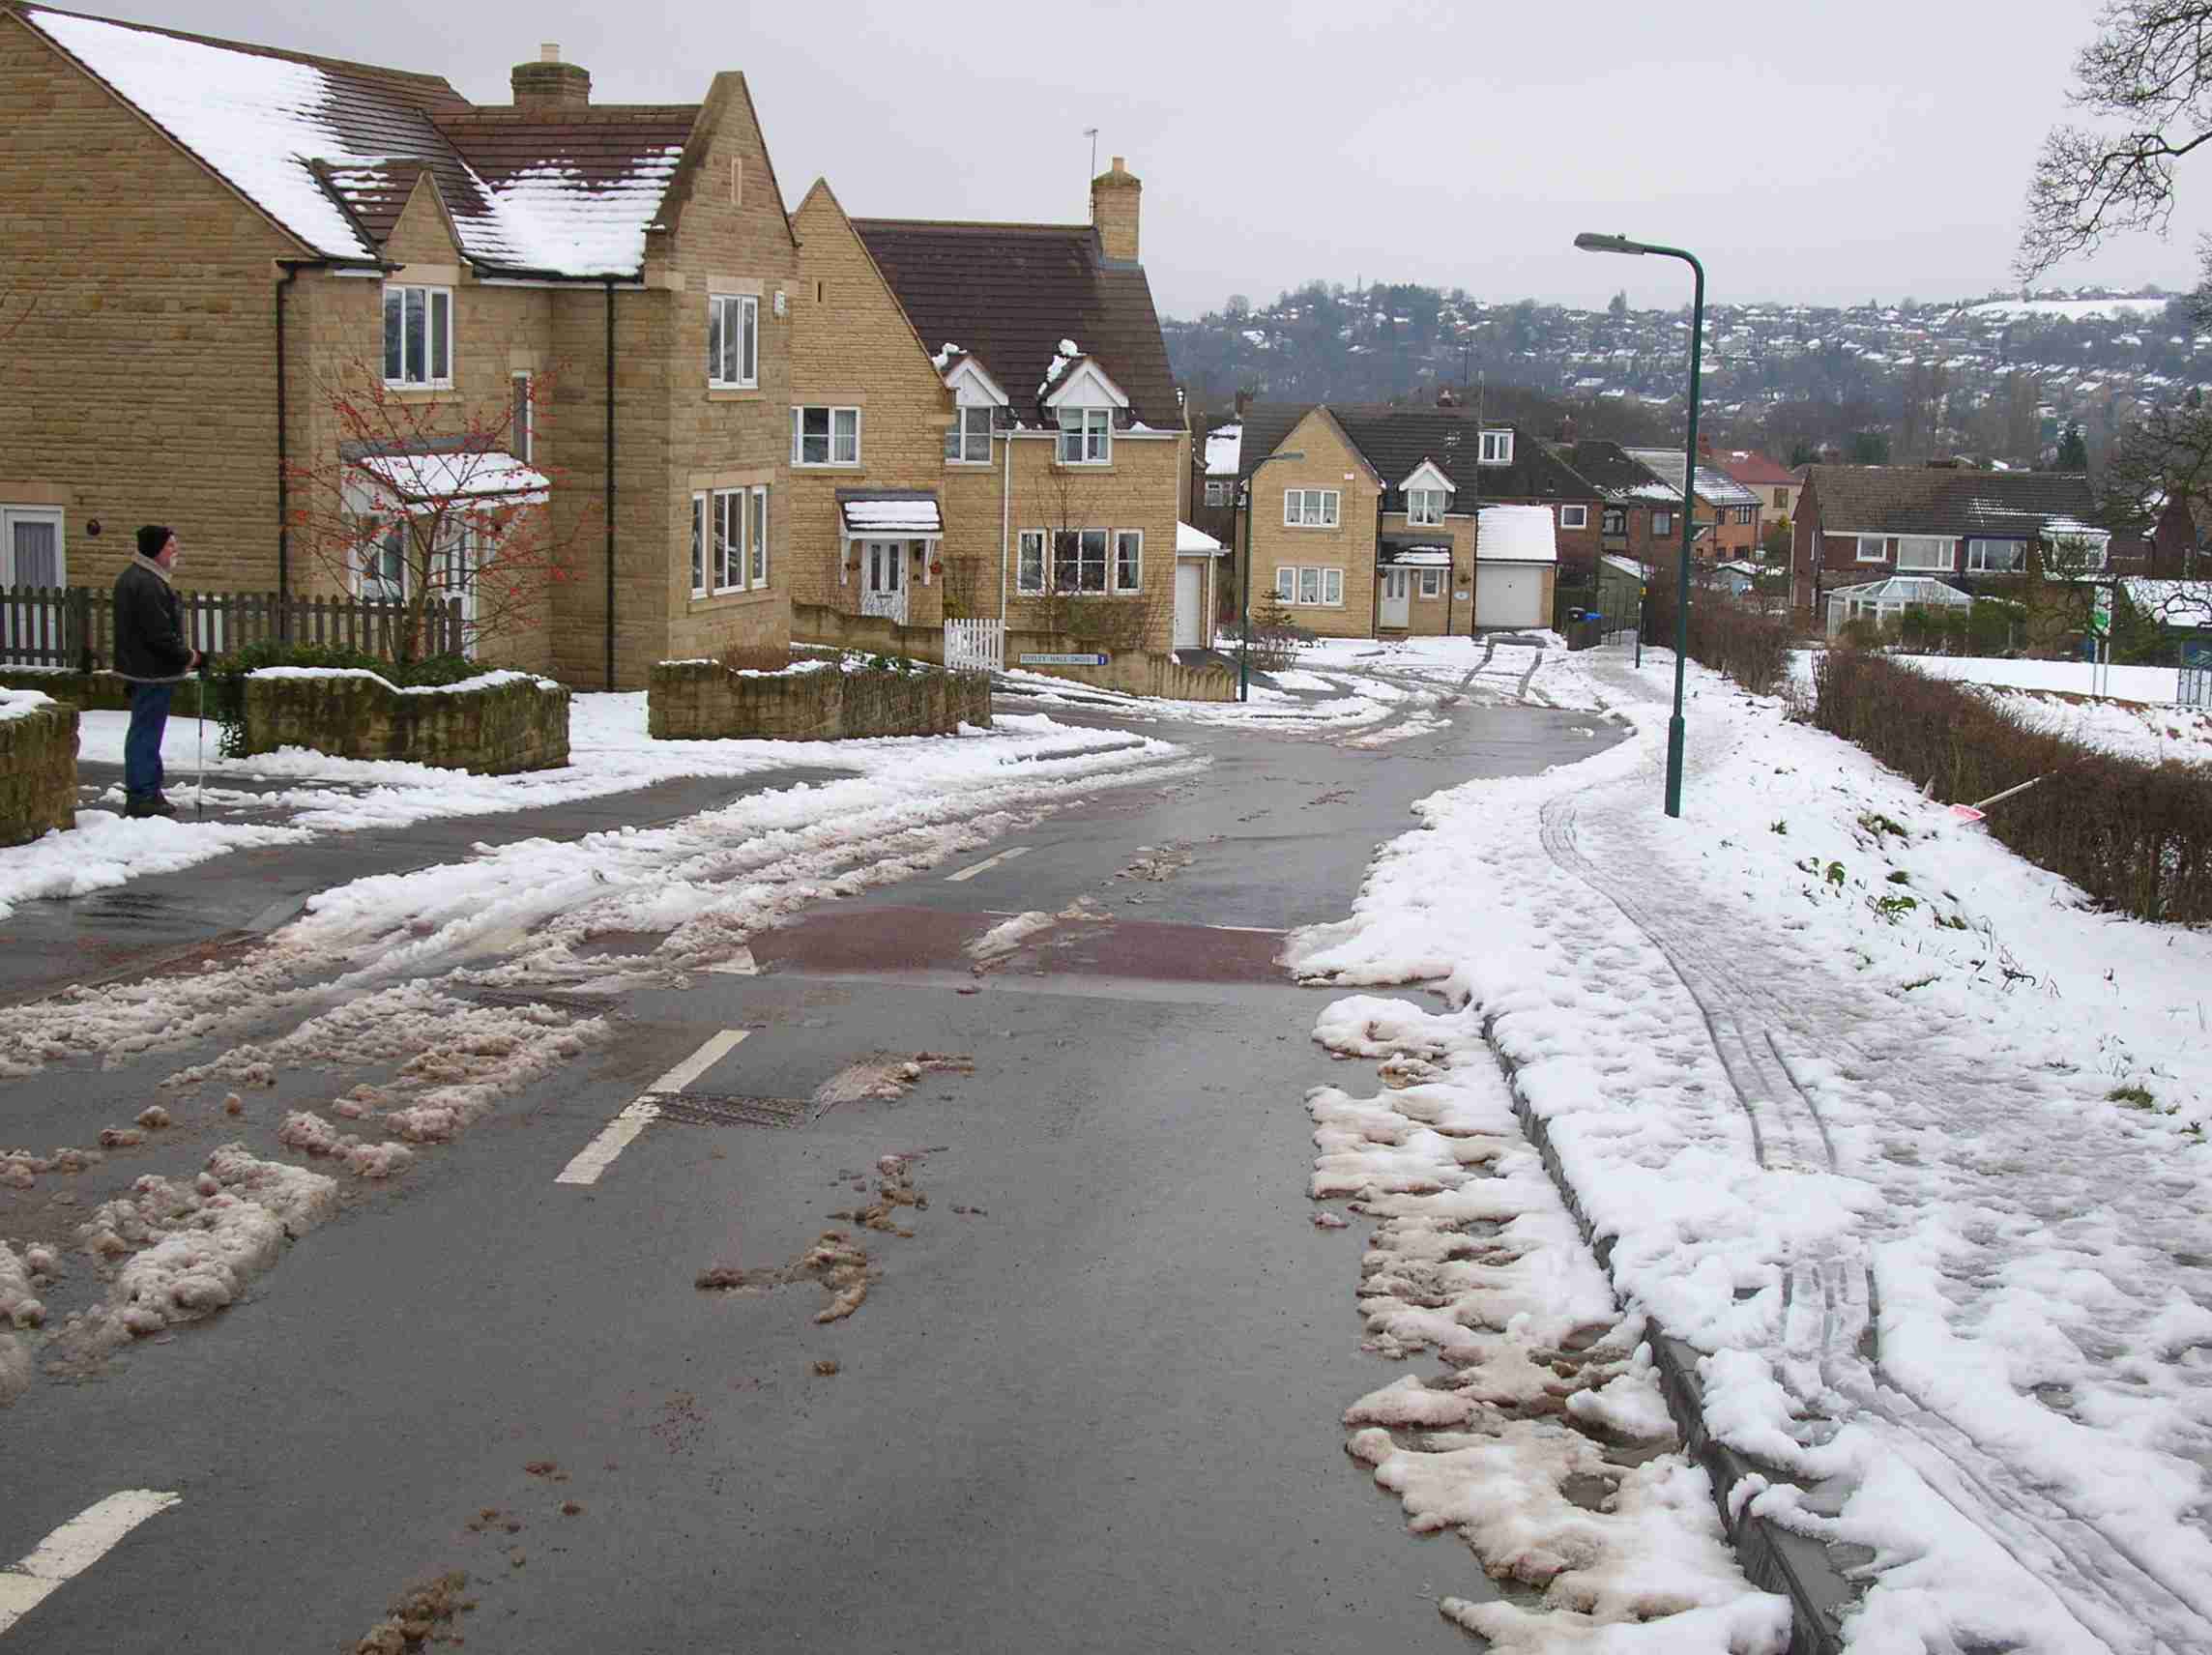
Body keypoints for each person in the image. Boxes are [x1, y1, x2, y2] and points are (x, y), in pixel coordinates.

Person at [113, 524, 202, 819]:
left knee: (146, 729)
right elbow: (158, 634)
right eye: (170, 546)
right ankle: (142, 794)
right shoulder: (147, 583)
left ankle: (148, 789)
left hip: (144, 668)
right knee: (146, 731)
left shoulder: (141, 578)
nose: (175, 551)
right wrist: (190, 657)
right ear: (154, 549)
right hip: (150, 671)